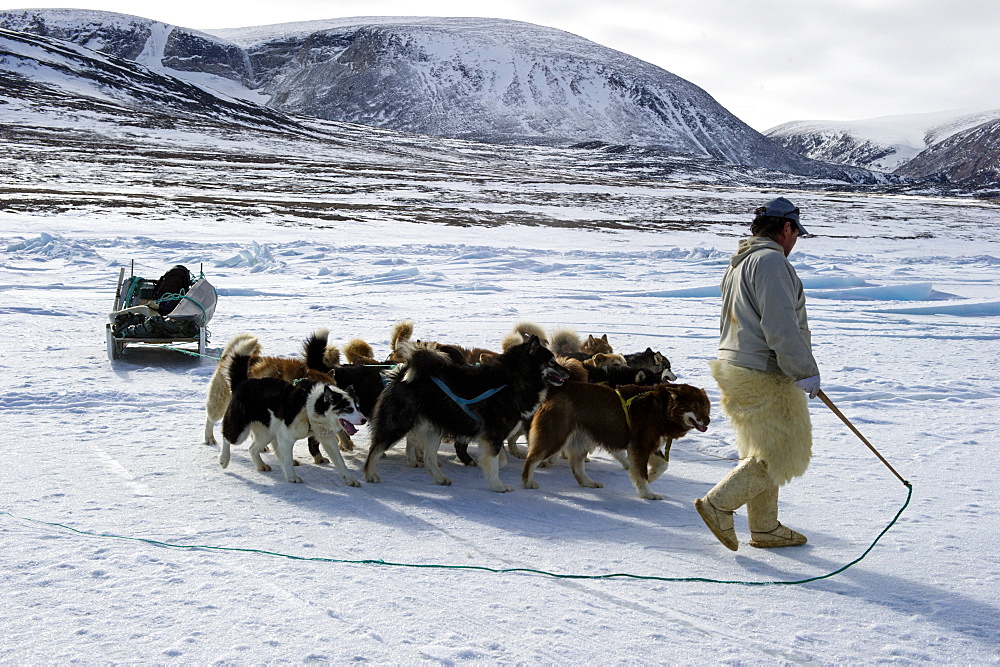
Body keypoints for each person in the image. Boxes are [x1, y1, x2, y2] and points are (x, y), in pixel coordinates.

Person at [694, 197, 820, 550]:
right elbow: (781, 327)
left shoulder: (741, 263)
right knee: (780, 450)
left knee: (761, 448)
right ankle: (718, 504)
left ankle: (764, 527)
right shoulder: (770, 262)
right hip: (762, 370)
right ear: (785, 228)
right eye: (796, 233)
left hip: (736, 365)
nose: (795, 242)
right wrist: (804, 371)